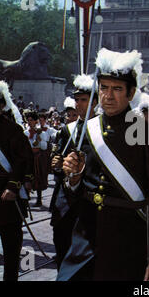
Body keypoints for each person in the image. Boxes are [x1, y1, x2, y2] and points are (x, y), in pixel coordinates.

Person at [58, 48, 149, 281]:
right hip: (86, 236)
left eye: (117, 89)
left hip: (128, 238)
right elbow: (76, 193)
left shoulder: (147, 134)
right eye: (104, 88)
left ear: (131, 94)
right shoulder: (87, 129)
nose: (108, 96)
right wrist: (73, 178)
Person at [49, 74, 97, 270]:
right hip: (65, 200)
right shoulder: (68, 130)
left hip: (89, 200)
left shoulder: (102, 130)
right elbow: (58, 164)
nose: (78, 104)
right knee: (61, 245)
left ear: (95, 102)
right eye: (76, 100)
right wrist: (58, 164)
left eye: (83, 100)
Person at [0, 81, 33, 281]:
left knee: (11, 242)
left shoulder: (12, 129)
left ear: (0, 105)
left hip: (5, 192)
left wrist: (13, 186)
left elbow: (22, 160)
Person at [24, 111, 50, 207]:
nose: (30, 122)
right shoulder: (25, 133)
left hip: (37, 157)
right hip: (28, 157)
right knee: (27, 177)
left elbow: (44, 147)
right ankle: (26, 199)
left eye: (32, 120)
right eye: (28, 120)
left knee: (37, 176)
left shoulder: (42, 133)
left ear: (36, 121)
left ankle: (39, 199)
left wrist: (39, 141)